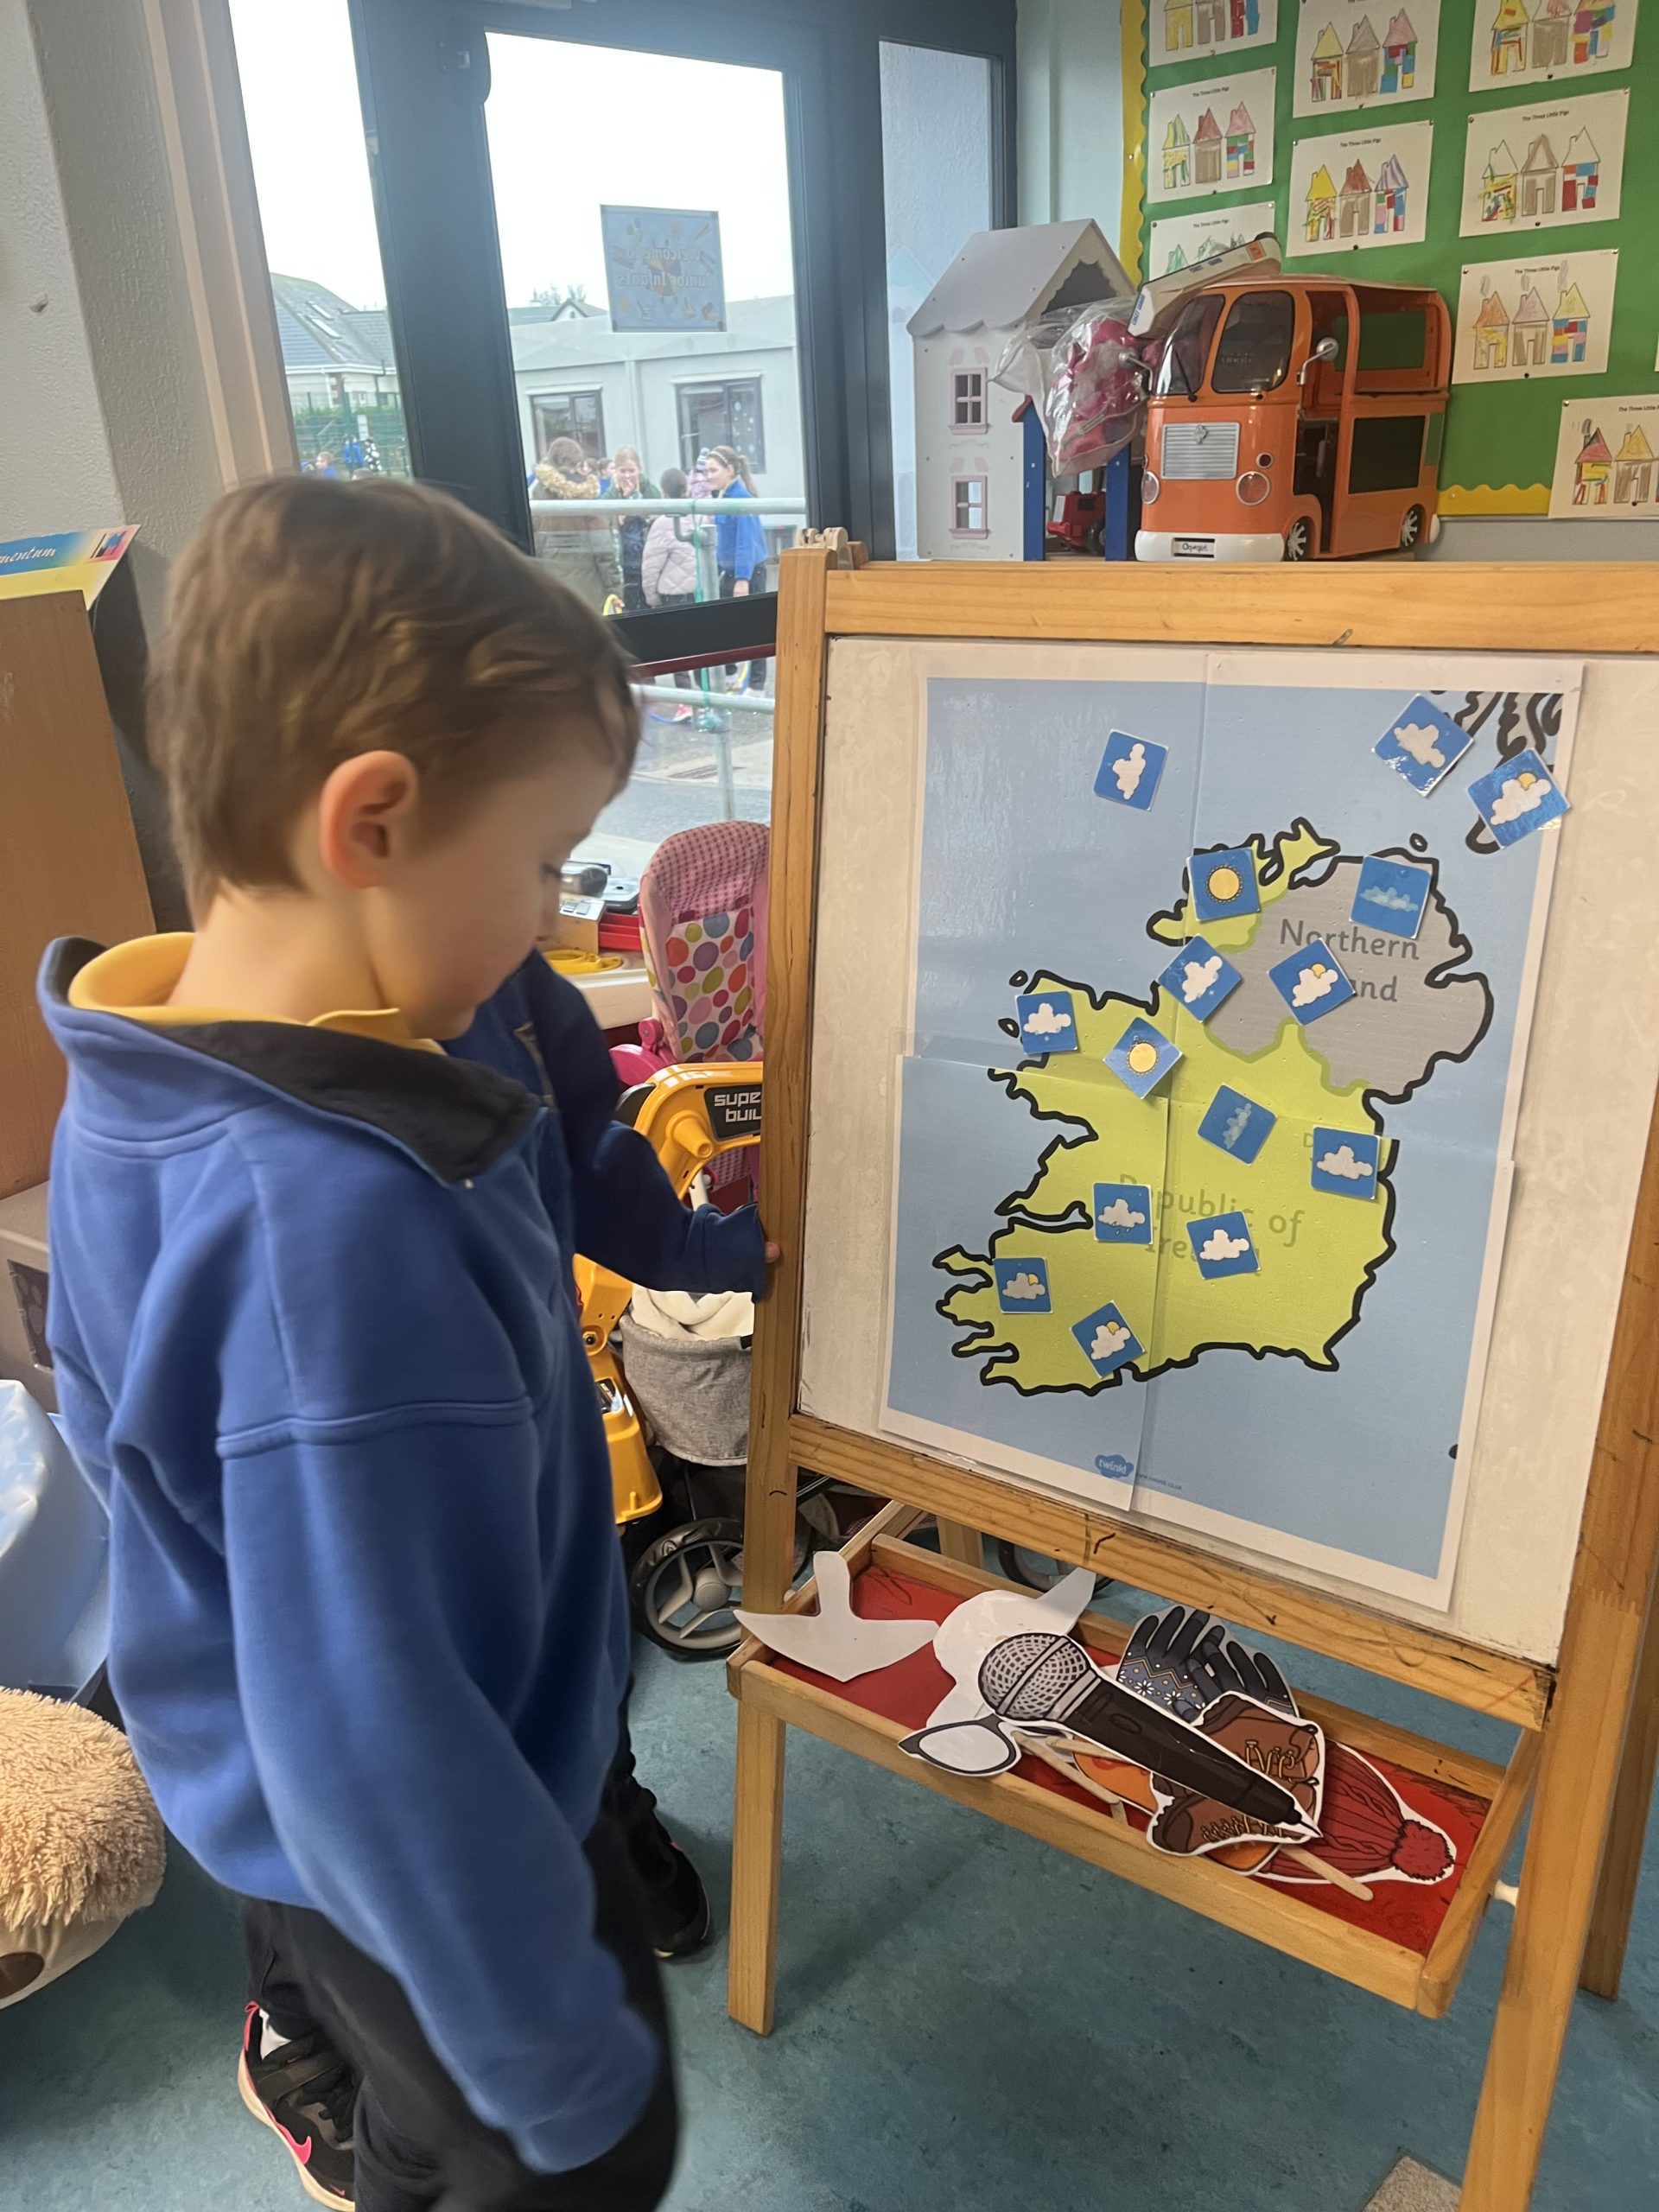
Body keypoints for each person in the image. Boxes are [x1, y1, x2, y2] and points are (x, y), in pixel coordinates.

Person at [41, 474, 771, 2212]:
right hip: (412, 1827)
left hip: (289, 1779)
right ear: (370, 820)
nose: (551, 914)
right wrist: (560, 2073)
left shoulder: (143, 1054)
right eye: (540, 862)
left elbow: (106, 1420)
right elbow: (382, 1754)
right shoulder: (332, 1237)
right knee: (561, 2154)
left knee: (412, 2092)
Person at [705, 444, 768, 693]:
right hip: (731, 571)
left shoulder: (740, 499)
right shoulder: (724, 497)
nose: (708, 476)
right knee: (725, 625)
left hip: (748, 571)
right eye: (707, 471)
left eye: (713, 470)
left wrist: (742, 580)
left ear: (729, 470)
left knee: (755, 628)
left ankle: (756, 686)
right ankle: (731, 676)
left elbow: (745, 542)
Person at [532, 435, 621, 612]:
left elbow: (535, 544)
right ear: (578, 461)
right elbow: (603, 548)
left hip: (551, 588)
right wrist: (614, 589)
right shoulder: (586, 494)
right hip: (589, 590)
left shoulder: (537, 494)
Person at [605, 447, 661, 616]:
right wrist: (617, 519)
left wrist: (639, 507)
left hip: (648, 561)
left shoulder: (651, 491)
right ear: (616, 471)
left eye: (631, 471)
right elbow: (602, 524)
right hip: (622, 563)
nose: (627, 476)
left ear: (639, 469)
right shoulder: (610, 496)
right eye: (623, 471)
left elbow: (660, 523)